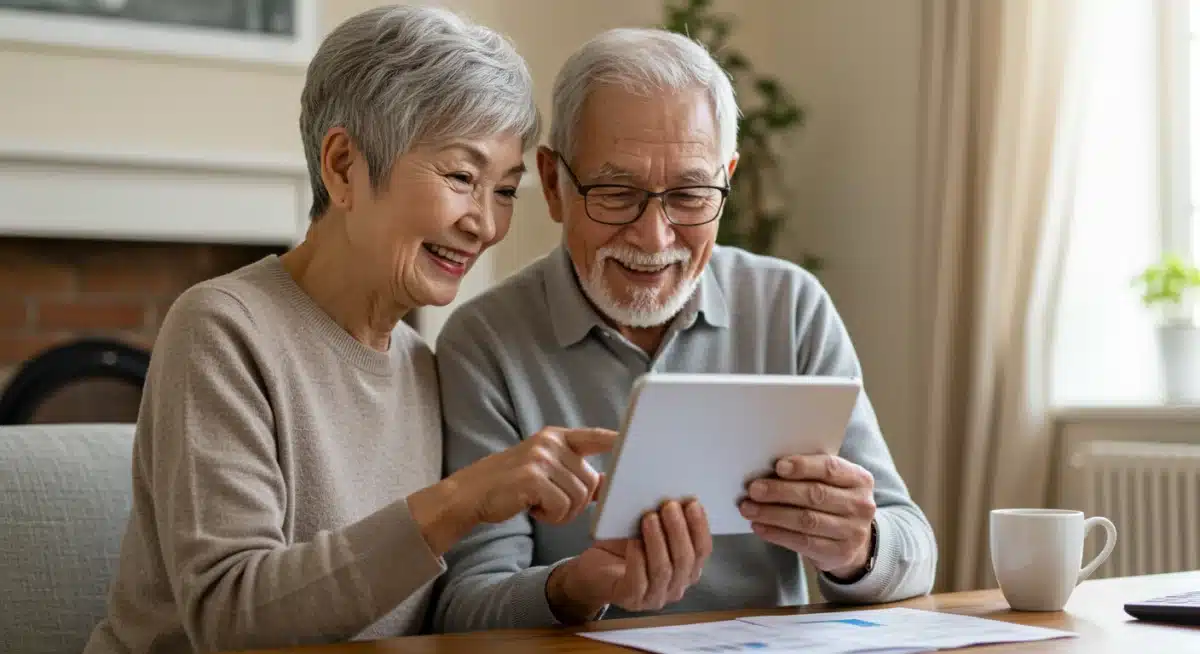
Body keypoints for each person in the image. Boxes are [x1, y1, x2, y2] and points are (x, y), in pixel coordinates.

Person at [82, 6, 619, 653]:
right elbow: (231, 619)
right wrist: (460, 500)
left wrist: (576, 583)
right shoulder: (223, 328)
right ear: (343, 167)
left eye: (504, 190)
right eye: (461, 177)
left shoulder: (424, 366)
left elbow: (436, 612)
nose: (485, 223)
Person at [431, 27, 939, 633]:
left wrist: (859, 548)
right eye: (617, 193)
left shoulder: (790, 305)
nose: (655, 237)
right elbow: (464, 608)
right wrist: (574, 588)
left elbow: (914, 548)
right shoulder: (483, 343)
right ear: (555, 184)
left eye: (692, 194)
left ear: (727, 177)